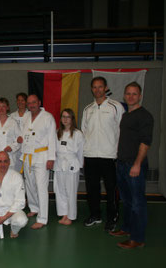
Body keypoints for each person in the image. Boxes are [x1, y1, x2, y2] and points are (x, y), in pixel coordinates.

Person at [110, 82, 153, 249]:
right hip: (122, 164)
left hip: (134, 166)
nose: (130, 96)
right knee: (126, 200)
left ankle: (137, 238)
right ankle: (127, 229)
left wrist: (137, 164)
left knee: (137, 203)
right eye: (128, 93)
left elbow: (145, 142)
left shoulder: (145, 116)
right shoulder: (126, 115)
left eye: (134, 94)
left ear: (140, 96)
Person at [81, 76, 125, 231]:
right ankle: (95, 215)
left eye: (100, 86)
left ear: (105, 88)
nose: (97, 89)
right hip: (91, 156)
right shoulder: (87, 109)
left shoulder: (116, 106)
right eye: (94, 87)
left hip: (109, 156)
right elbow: (84, 134)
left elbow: (121, 131)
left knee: (111, 189)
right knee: (92, 189)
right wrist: (84, 155)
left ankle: (112, 217)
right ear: (91, 89)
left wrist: (117, 153)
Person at [17, 94, 56, 229]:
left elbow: (52, 138)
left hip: (42, 156)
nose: (31, 105)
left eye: (34, 102)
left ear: (39, 102)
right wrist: (20, 139)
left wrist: (51, 158)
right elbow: (24, 134)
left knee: (41, 187)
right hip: (28, 155)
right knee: (30, 184)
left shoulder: (47, 117)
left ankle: (43, 218)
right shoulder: (26, 117)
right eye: (29, 103)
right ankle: (34, 207)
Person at [53, 109, 84, 226]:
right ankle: (64, 213)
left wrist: (80, 165)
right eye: (63, 117)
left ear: (72, 119)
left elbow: (81, 151)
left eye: (68, 117)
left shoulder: (77, 134)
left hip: (72, 164)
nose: (65, 119)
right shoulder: (57, 133)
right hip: (59, 163)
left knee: (70, 191)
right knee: (60, 190)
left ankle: (70, 215)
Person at [0, 98, 21, 171]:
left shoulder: (13, 122)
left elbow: (19, 139)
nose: (1, 108)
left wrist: (12, 147)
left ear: (8, 107)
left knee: (9, 180)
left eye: (3, 106)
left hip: (9, 155)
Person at [10, 93, 29, 172]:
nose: (20, 102)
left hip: (27, 147)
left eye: (22, 100)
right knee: (16, 172)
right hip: (16, 148)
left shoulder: (30, 115)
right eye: (18, 100)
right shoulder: (12, 116)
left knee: (28, 174)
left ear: (26, 102)